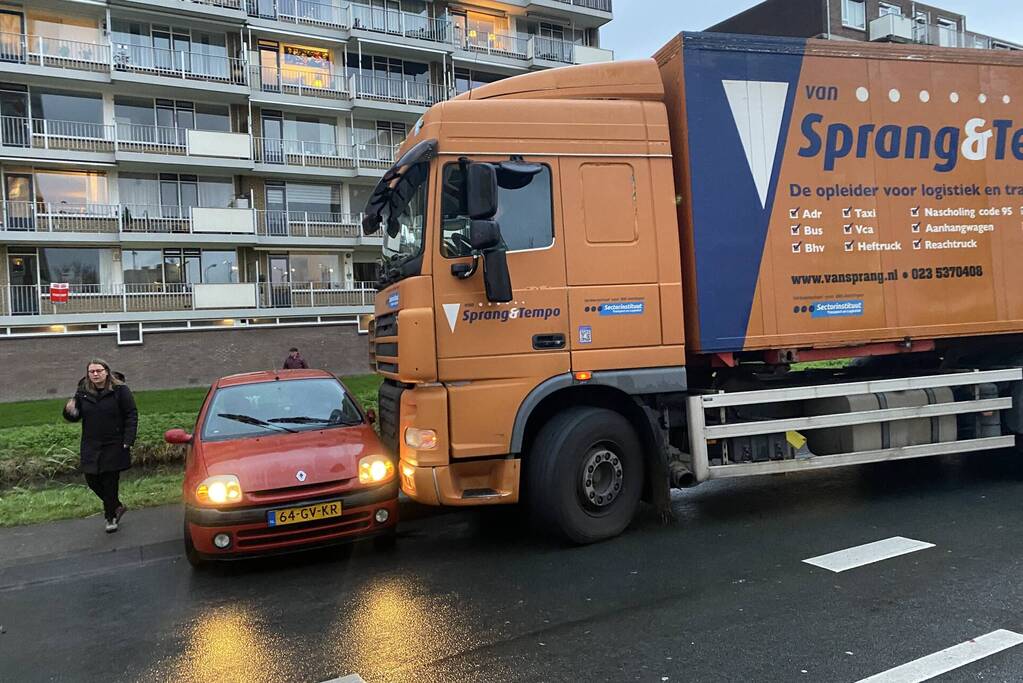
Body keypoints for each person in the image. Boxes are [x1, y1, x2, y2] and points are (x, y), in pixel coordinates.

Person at [63, 359, 138, 533]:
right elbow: (75, 416)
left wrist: (128, 438)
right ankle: (117, 506)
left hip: (114, 441)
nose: (95, 374)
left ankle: (110, 517)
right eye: (92, 371)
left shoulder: (120, 390)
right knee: (92, 479)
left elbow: (131, 414)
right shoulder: (82, 392)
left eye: (98, 370)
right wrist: (70, 411)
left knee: (110, 480)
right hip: (91, 442)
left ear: (106, 371)